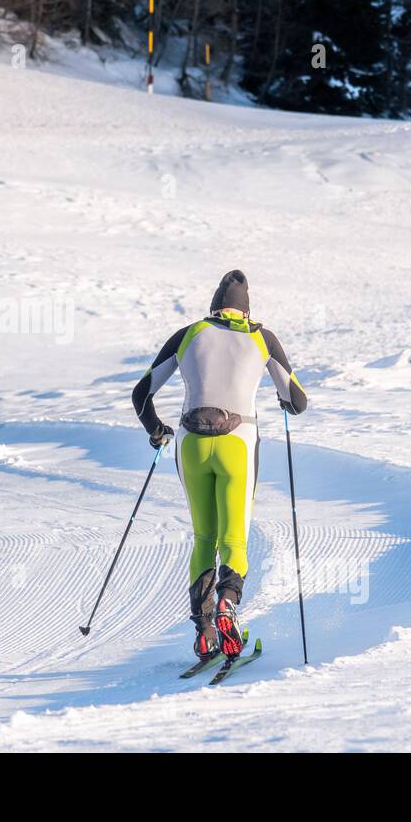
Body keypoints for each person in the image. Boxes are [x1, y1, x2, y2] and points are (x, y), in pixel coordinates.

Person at [131, 270, 308, 660]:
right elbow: (298, 400)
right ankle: (228, 604)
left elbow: (141, 393)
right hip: (237, 445)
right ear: (246, 311)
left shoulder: (189, 334)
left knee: (203, 538)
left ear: (213, 307)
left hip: (191, 445)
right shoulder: (262, 337)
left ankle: (205, 629)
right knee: (234, 537)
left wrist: (158, 430)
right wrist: (282, 400)